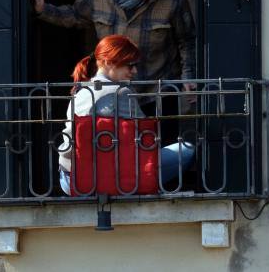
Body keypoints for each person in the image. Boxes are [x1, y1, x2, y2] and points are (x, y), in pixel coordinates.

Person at [31, 0, 195, 89]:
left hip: (158, 92)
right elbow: (76, 16)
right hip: (113, 91)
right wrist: (43, 10)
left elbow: (187, 40)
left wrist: (189, 77)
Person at [58, 35, 194, 195]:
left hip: (71, 179)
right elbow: (146, 139)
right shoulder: (121, 93)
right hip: (108, 177)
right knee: (186, 149)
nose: (134, 71)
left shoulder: (79, 91)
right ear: (108, 62)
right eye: (130, 65)